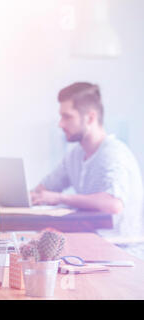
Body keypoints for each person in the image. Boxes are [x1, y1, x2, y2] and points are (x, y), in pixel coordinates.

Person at [31, 82, 143, 240]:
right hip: (93, 245)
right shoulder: (76, 154)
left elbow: (113, 204)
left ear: (90, 118)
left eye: (67, 117)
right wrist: (24, 196)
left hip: (122, 251)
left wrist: (59, 198)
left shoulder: (113, 153)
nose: (60, 124)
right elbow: (43, 190)